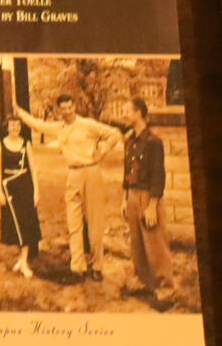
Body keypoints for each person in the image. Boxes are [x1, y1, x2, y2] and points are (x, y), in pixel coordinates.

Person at [17, 95, 122, 280]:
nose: (66, 111)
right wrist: (19, 111)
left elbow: (114, 134)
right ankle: (77, 267)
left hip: (91, 172)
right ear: (59, 110)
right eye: (63, 108)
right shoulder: (59, 128)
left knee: (95, 223)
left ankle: (97, 266)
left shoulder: (87, 124)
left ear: (74, 106)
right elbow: (37, 124)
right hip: (73, 174)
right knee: (74, 223)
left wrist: (102, 151)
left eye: (69, 107)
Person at [119, 95, 175, 304]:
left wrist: (152, 206)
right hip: (133, 196)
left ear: (139, 113)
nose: (124, 114)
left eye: (127, 110)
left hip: (148, 197)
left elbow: (158, 175)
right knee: (137, 243)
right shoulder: (129, 140)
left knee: (155, 243)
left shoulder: (153, 142)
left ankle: (165, 289)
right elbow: (127, 172)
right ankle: (143, 281)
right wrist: (124, 199)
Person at [0, 112, 40, 278]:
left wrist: (36, 192)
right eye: (12, 125)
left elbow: (33, 169)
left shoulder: (26, 144)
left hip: (25, 187)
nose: (15, 128)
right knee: (14, 224)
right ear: (7, 127)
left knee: (26, 223)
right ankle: (21, 259)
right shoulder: (0, 144)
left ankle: (24, 261)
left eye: (17, 125)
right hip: (9, 188)